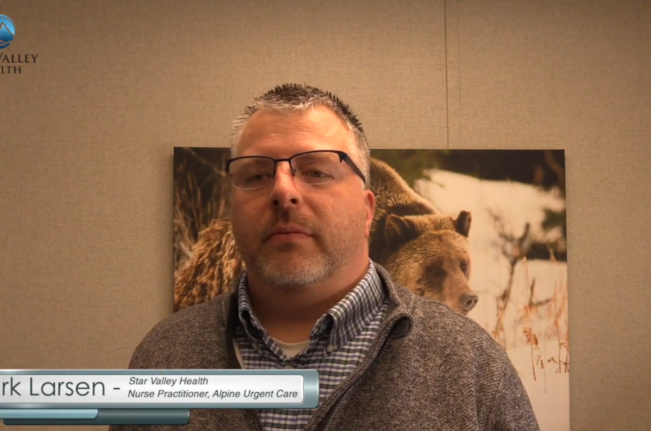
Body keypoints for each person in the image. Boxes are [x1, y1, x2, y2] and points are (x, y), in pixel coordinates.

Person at [111, 84, 540, 431]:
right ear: (232, 209)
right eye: (256, 174)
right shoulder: (164, 354)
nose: (283, 191)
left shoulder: (471, 364)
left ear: (368, 211)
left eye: (317, 171)